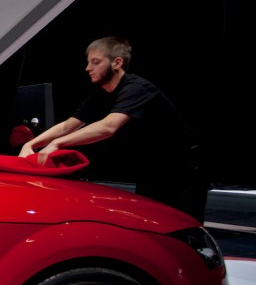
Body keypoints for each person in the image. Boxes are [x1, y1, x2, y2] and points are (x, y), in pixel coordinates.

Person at [19, 36, 208, 222]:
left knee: (181, 226)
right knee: (152, 223)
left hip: (184, 166)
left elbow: (108, 127)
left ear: (117, 62)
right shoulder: (101, 94)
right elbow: (69, 125)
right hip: (154, 166)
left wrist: (57, 143)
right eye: (88, 62)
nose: (88, 68)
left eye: (96, 62)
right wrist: (31, 144)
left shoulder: (137, 88)